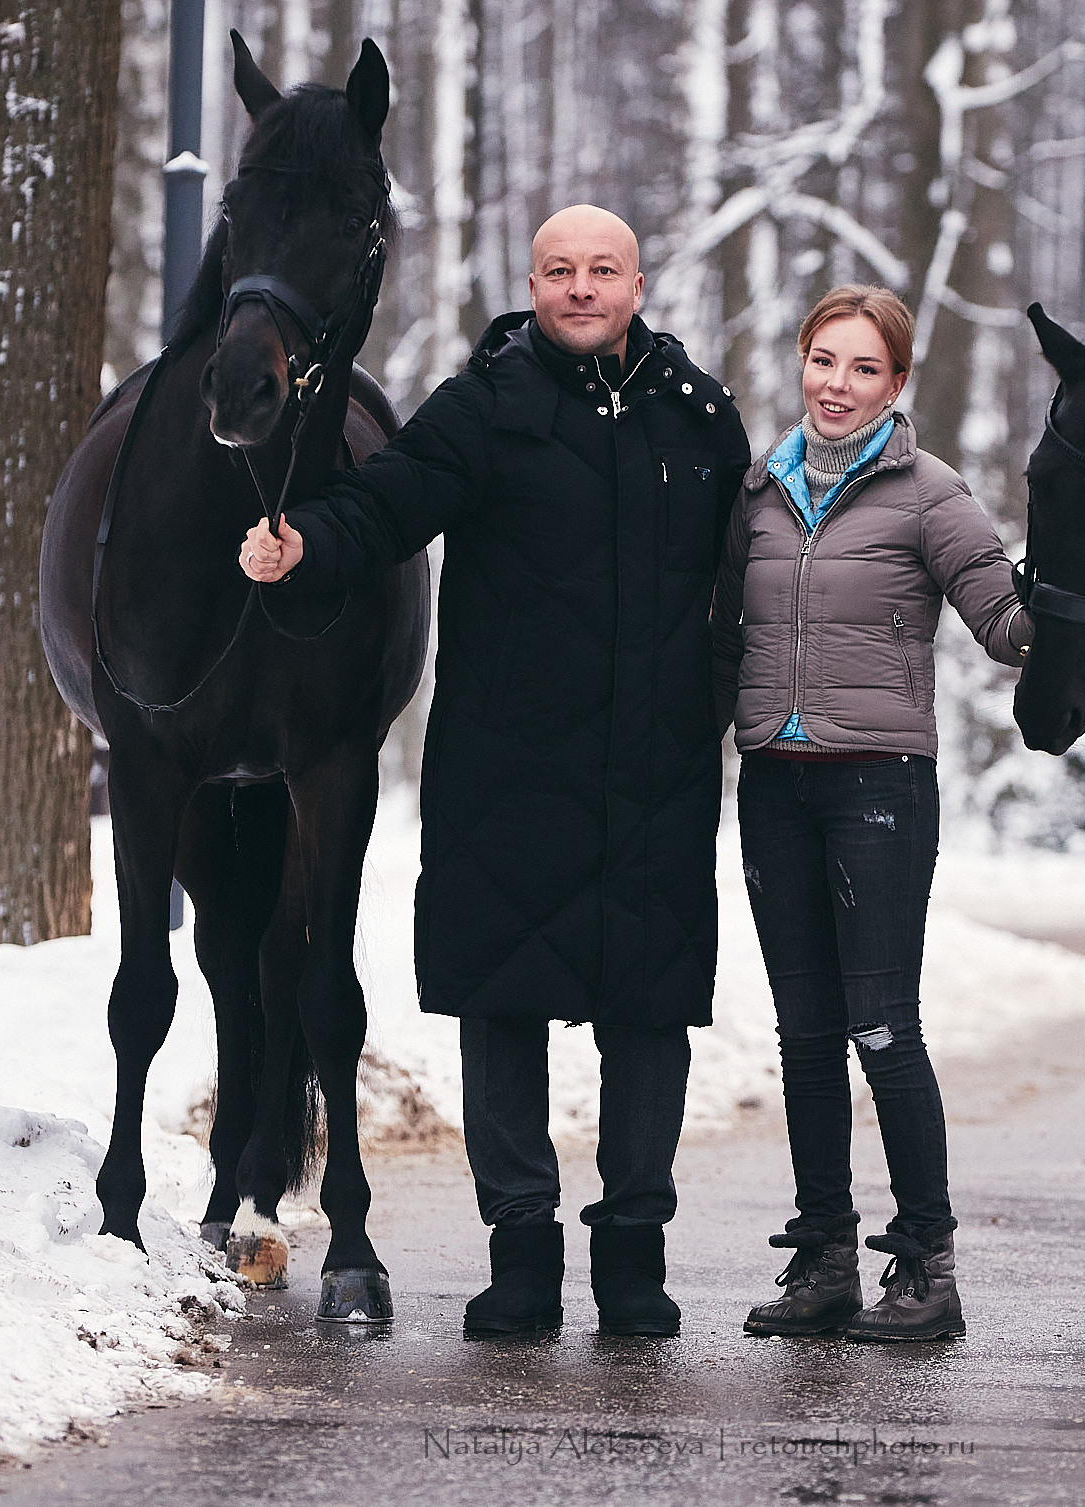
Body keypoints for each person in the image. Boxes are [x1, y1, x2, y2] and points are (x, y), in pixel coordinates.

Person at [239, 205, 750, 1338]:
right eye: (559, 271)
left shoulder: (701, 416)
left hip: (657, 769)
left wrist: (709, 708)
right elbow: (389, 500)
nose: (580, 288)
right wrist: (307, 541)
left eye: (601, 270)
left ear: (637, 281)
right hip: (507, 768)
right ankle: (519, 1252)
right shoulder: (486, 406)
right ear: (531, 282)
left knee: (648, 1014)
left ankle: (632, 1256)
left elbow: (747, 580)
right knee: (502, 1006)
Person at [709, 285, 1031, 1342]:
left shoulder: (930, 495)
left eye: (863, 369)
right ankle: (824, 1262)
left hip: (878, 786)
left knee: (883, 1027)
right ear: (799, 363)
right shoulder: (756, 490)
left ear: (896, 387)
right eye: (822, 361)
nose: (836, 386)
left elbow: (1003, 618)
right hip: (773, 783)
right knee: (804, 1035)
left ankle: (928, 1268)